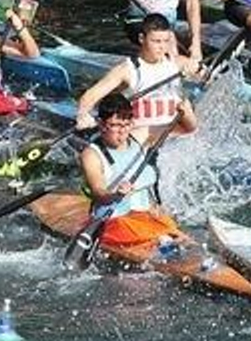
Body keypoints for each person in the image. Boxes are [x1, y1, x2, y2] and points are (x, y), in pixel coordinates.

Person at [79, 92, 190, 252]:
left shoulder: (140, 136)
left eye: (126, 124)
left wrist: (187, 112)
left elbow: (188, 128)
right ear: (101, 124)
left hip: (146, 218)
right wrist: (115, 193)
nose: (122, 131)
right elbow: (98, 192)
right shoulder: (91, 154)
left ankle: (165, 242)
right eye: (116, 125)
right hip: (115, 222)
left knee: (180, 238)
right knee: (165, 240)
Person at [75, 14, 198, 136]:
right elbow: (89, 97)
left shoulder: (178, 63)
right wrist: (83, 115)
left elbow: (204, 73)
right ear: (141, 39)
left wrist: (196, 67)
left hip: (174, 134)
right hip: (140, 138)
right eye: (156, 41)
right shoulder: (127, 70)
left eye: (166, 41)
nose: (162, 47)